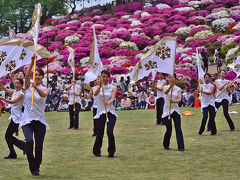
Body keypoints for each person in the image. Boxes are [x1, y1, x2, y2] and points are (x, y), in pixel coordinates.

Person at [19, 56, 50, 176]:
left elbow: (42, 95)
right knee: (29, 141)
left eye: (39, 75)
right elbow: (26, 78)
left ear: (42, 77)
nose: (36, 76)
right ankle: (32, 167)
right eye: (35, 74)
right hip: (27, 120)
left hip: (40, 122)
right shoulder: (27, 87)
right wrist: (32, 63)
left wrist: (35, 87)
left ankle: (37, 166)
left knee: (39, 147)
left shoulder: (45, 89)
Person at [93, 70, 118, 158]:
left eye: (107, 77)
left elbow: (113, 98)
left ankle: (111, 152)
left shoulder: (113, 87)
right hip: (100, 113)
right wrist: (100, 86)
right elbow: (95, 94)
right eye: (103, 77)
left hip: (110, 112)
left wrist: (108, 102)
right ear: (101, 78)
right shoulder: (96, 87)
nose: (105, 78)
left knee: (109, 132)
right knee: (100, 133)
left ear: (109, 77)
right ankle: (96, 151)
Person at [0, 79, 26, 159]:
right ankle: (14, 152)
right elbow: (5, 89)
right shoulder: (15, 91)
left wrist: (2, 98)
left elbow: (12, 102)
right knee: (8, 136)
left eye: (18, 83)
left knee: (8, 136)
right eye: (15, 83)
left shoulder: (21, 94)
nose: (16, 85)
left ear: (22, 85)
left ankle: (22, 146)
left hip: (17, 118)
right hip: (14, 117)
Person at [162, 74, 184, 151]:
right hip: (167, 110)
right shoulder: (165, 87)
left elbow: (179, 99)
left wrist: (173, 101)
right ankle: (166, 144)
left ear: (175, 79)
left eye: (172, 77)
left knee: (178, 128)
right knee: (169, 129)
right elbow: (165, 92)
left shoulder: (178, 89)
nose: (170, 79)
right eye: (169, 77)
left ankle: (181, 147)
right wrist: (170, 86)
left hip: (175, 110)